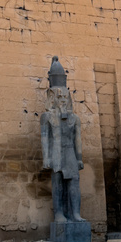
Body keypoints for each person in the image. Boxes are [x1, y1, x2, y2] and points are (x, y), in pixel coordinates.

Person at [41, 57, 84, 223]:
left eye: (66, 98)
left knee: (74, 182)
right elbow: (45, 139)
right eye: (60, 99)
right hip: (56, 153)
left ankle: (75, 213)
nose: (64, 101)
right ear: (53, 99)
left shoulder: (75, 119)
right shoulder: (47, 117)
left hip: (70, 153)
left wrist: (79, 158)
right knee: (57, 183)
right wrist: (46, 158)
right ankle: (59, 214)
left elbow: (77, 140)